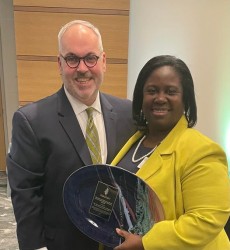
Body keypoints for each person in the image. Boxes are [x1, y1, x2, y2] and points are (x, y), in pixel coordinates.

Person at [6, 20, 136, 250]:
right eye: (72, 59)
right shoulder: (31, 121)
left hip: (118, 244)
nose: (83, 68)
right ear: (60, 63)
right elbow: (26, 198)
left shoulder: (129, 114)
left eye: (91, 58)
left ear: (103, 61)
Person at [110, 55, 230, 249]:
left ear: (185, 99)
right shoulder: (134, 141)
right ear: (141, 98)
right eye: (152, 91)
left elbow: (207, 219)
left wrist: (145, 243)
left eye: (171, 91)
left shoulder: (202, 150)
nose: (160, 98)